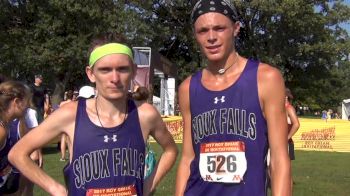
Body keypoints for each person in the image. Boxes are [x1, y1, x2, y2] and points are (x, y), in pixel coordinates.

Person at [9, 32, 178, 196]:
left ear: (133, 71)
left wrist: (148, 186)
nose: (115, 78)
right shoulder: (71, 114)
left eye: (122, 69)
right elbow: (17, 153)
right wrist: (56, 189)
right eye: (105, 70)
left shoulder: (145, 115)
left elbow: (171, 150)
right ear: (91, 73)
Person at [175, 1, 291, 195]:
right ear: (195, 35)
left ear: (235, 29)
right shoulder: (188, 88)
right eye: (203, 31)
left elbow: (279, 159)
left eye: (219, 28)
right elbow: (187, 158)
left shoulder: (266, 78)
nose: (211, 37)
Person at [0, 81, 30, 194]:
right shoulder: (1, 130)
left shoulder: (6, 126)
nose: (28, 106)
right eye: (27, 101)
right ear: (17, 102)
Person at [285, 88, 300, 192]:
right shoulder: (280, 108)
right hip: (279, 143)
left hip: (287, 143)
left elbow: (296, 124)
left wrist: (287, 137)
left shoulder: (289, 108)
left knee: (286, 172)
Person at [58, 90, 76, 162]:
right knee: (70, 139)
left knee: (63, 138)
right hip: (71, 121)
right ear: (72, 96)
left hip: (63, 121)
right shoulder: (74, 103)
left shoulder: (62, 103)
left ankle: (63, 156)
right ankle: (71, 155)